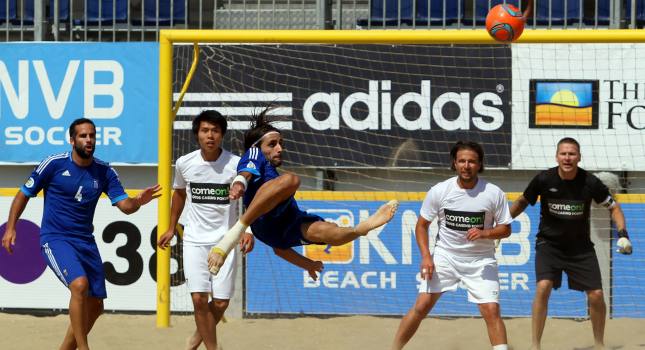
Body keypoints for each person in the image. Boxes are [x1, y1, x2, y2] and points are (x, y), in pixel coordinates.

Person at [1, 118, 161, 350]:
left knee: (96, 305)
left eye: (92, 136)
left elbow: (126, 207)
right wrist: (11, 227)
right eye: (84, 136)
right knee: (79, 285)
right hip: (55, 238)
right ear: (72, 139)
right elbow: (23, 194)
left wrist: (138, 201)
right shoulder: (53, 164)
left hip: (85, 241)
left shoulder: (104, 171)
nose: (89, 140)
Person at [206, 109, 399, 277]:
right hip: (263, 223)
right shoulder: (254, 154)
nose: (280, 148)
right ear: (257, 146)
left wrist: (308, 265)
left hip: (286, 223)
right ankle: (235, 232)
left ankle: (360, 230)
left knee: (330, 231)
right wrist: (240, 182)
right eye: (272, 144)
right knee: (292, 180)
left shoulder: (272, 173)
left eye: (281, 143)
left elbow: (280, 249)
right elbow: (245, 172)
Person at [509, 137, 633, 350]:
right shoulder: (544, 179)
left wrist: (623, 234)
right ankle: (535, 345)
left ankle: (599, 344)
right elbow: (521, 201)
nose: (567, 158)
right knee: (543, 286)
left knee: (596, 294)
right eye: (563, 153)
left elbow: (614, 207)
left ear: (579, 157)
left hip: (580, 248)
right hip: (549, 245)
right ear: (557, 156)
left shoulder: (590, 182)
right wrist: (501, 225)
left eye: (572, 153)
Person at [392, 141, 513, 350]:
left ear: (480, 164)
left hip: (480, 260)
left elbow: (506, 229)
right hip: (445, 256)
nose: (466, 166)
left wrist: (485, 233)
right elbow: (421, 226)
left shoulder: (494, 193)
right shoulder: (440, 191)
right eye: (462, 161)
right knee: (421, 306)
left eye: (472, 161)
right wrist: (426, 257)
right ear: (454, 163)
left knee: (491, 310)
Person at [157, 110, 254, 350]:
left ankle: (194, 339)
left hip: (225, 242)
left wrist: (248, 230)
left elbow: (250, 199)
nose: (210, 135)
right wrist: (171, 227)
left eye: (215, 131)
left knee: (220, 303)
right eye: (205, 130)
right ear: (197, 134)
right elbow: (178, 193)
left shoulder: (235, 164)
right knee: (199, 299)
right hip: (193, 240)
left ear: (222, 135)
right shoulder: (184, 163)